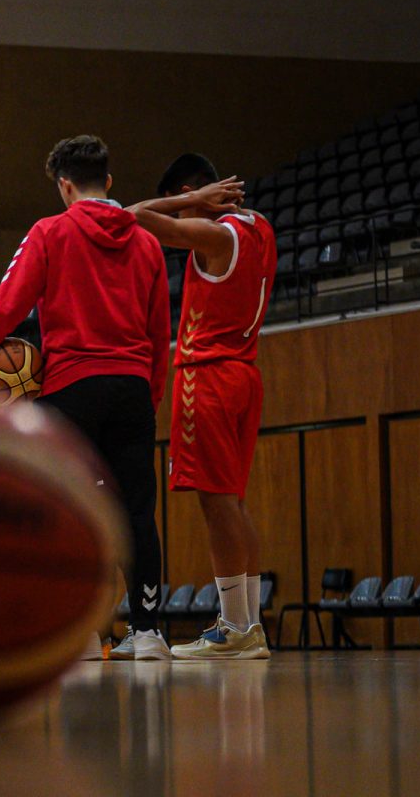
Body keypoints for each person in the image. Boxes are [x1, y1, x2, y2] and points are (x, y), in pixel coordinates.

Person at [0, 135, 171, 660]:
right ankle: (147, 633)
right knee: (137, 513)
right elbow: (159, 328)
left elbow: (9, 303)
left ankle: (77, 632)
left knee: (64, 510)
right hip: (131, 387)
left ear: (65, 185)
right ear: (110, 183)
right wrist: (150, 395)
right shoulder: (146, 242)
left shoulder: (50, 232)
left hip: (71, 387)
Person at [131, 155, 275, 660]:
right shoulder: (258, 227)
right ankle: (247, 625)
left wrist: (187, 204)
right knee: (232, 503)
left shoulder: (217, 236)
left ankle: (236, 628)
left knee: (216, 503)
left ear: (196, 194)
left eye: (189, 200)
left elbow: (127, 216)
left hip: (209, 375)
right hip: (244, 374)